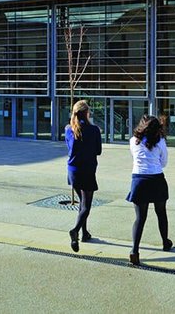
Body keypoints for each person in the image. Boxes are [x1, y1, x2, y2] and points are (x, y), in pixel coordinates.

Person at [126, 114, 172, 265]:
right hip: (156, 179)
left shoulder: (133, 141)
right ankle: (165, 242)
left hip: (139, 180)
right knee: (161, 213)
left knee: (140, 218)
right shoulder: (160, 142)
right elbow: (164, 162)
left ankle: (134, 250)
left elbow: (133, 157)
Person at [64, 99, 102, 253]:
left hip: (73, 171)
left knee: (81, 202)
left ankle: (85, 233)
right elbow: (98, 151)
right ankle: (75, 231)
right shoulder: (94, 130)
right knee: (86, 206)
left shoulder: (68, 129)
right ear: (87, 113)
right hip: (87, 170)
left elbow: (69, 147)